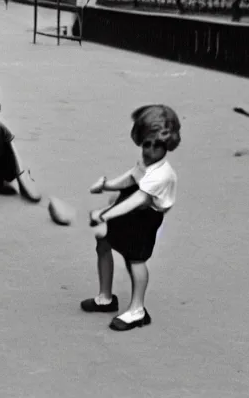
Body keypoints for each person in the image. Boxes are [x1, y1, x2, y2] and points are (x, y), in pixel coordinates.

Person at [82, 105, 181, 331]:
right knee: (104, 243)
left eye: (159, 145)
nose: (151, 150)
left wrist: (103, 214)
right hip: (127, 207)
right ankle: (105, 297)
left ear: (169, 144)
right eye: (147, 143)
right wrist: (107, 185)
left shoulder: (162, 175)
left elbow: (139, 199)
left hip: (145, 217)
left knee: (135, 260)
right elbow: (131, 178)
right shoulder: (145, 163)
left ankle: (137, 310)